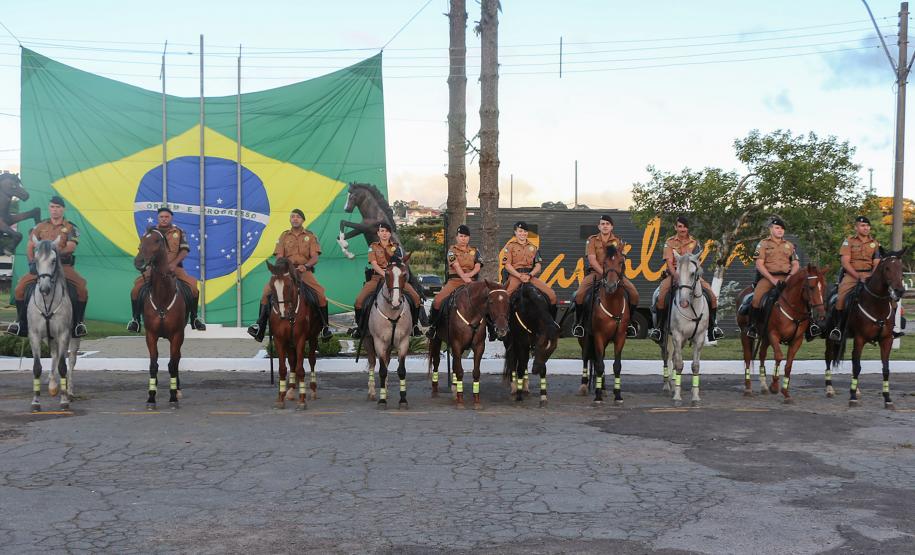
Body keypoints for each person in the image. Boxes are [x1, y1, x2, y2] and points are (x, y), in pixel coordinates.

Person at [7, 195, 89, 338]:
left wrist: (53, 254)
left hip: (63, 266)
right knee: (19, 288)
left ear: (63, 209)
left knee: (82, 289)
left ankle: (78, 324)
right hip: (41, 267)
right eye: (52, 207)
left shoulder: (70, 227)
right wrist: (32, 262)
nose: (54, 210)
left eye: (58, 207)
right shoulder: (40, 226)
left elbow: (71, 247)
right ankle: (20, 323)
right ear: (49, 208)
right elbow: (30, 246)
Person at [246, 208, 333, 342]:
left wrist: (306, 266)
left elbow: (315, 257)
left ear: (303, 220)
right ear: (290, 220)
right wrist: (285, 267)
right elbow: (279, 256)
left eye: (298, 217)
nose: (295, 219)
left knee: (320, 294)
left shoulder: (310, 236)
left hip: (304, 271)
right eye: (293, 216)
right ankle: (260, 326)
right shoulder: (284, 236)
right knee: (266, 292)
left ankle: (325, 328)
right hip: (287, 271)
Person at [128, 207, 206, 333]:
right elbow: (143, 250)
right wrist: (146, 265)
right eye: (161, 217)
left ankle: (194, 318)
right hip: (154, 269)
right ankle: (135, 320)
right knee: (135, 290)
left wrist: (174, 264)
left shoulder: (179, 232)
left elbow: (184, 250)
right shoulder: (149, 233)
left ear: (171, 218)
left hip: (175, 268)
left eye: (166, 217)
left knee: (193, 288)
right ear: (158, 218)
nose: (164, 219)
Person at [646, 215, 724, 342]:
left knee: (712, 296)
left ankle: (712, 328)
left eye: (685, 227)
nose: (682, 229)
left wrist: (693, 274)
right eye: (680, 226)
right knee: (661, 296)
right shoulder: (669, 242)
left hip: (691, 276)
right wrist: (676, 276)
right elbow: (669, 262)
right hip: (674, 274)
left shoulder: (695, 242)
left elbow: (697, 262)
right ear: (675, 227)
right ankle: (659, 329)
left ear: (688, 228)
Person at [349, 222, 423, 338]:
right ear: (378, 233)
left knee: (416, 298)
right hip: (377, 278)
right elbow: (374, 264)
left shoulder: (396, 247)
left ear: (390, 234)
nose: (384, 233)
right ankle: (360, 328)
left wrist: (392, 275)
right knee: (359, 301)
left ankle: (414, 326)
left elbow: (399, 263)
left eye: (387, 231)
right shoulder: (373, 247)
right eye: (382, 231)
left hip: (395, 279)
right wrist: (385, 274)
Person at [570, 215, 638, 337]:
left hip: (614, 275)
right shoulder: (592, 240)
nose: (605, 226)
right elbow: (592, 260)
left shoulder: (618, 241)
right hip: (596, 273)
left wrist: (613, 273)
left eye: (607, 224)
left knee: (634, 294)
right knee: (579, 294)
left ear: (612, 227)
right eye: (602, 224)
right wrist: (604, 273)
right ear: (599, 226)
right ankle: (579, 324)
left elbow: (621, 260)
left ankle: (629, 323)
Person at [829, 215, 890, 341]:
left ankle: (891, 328)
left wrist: (872, 276)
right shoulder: (849, 241)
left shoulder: (875, 243)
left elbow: (877, 262)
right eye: (862, 226)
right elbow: (845, 262)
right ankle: (838, 328)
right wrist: (858, 277)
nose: (866, 228)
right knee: (841, 297)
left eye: (867, 226)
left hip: (870, 275)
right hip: (852, 275)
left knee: (890, 296)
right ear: (856, 227)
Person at [426, 224, 482, 338]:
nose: (463, 239)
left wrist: (469, 275)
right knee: (437, 301)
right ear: (457, 237)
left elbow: (478, 266)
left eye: (465, 236)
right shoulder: (451, 251)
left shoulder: (475, 250)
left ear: (469, 238)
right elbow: (456, 265)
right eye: (461, 236)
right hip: (455, 281)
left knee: (488, 299)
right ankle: (433, 327)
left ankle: (491, 329)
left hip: (472, 281)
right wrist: (464, 277)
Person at [747, 217, 799, 339]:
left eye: (782, 229)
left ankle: (810, 326)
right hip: (769, 278)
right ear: (771, 229)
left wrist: (790, 277)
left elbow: (795, 264)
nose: (780, 230)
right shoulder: (763, 244)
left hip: (787, 277)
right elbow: (759, 264)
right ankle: (753, 327)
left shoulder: (789, 245)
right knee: (756, 299)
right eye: (777, 228)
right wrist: (772, 279)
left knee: (804, 295)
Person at [501, 221, 557, 318]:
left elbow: (538, 266)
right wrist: (520, 276)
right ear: (515, 232)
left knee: (552, 295)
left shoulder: (534, 247)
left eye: (525, 231)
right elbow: (507, 265)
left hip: (530, 276)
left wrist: (530, 275)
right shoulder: (509, 247)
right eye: (520, 231)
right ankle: (503, 324)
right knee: (503, 298)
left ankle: (551, 322)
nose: (523, 233)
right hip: (515, 276)